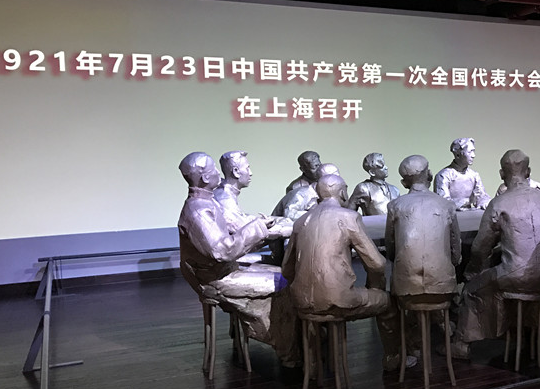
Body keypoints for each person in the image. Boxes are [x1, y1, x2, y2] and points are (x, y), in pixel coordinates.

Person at [177, 152, 299, 365]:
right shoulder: (197, 210)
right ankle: (288, 351)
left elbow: (232, 230)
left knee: (285, 274)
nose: (219, 173)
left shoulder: (207, 201)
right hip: (216, 278)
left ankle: (292, 343)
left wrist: (260, 225)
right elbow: (222, 250)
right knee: (284, 282)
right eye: (214, 170)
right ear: (205, 178)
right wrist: (258, 229)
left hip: (225, 269)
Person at [282, 174, 404, 371]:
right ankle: (392, 358)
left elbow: (287, 269)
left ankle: (312, 365)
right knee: (388, 304)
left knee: (316, 308)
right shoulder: (349, 217)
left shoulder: (301, 221)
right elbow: (377, 263)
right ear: (343, 193)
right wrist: (374, 284)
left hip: (302, 302)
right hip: (338, 301)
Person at [449, 150, 540, 359]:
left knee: (471, 289)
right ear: (528, 171)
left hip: (515, 276)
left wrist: (471, 273)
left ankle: (461, 344)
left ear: (501, 174)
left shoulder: (499, 203)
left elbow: (480, 248)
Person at [386, 154, 461, 303]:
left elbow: (391, 249)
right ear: (429, 174)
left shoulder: (395, 206)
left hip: (405, 286)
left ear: (404, 183)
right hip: (443, 285)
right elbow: (456, 251)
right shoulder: (447, 205)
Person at [214, 150, 291, 244]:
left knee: (284, 221)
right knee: (289, 227)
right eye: (247, 168)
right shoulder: (225, 198)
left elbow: (240, 217)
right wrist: (282, 231)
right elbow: (242, 232)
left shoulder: (225, 191)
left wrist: (257, 220)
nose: (250, 173)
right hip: (235, 247)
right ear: (236, 171)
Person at [434, 137, 491, 210]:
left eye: (473, 151)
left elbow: (482, 196)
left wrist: (484, 202)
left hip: (470, 215)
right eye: (469, 152)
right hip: (451, 216)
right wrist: (462, 203)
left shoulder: (474, 175)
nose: (473, 155)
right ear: (458, 155)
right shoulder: (443, 175)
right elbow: (442, 201)